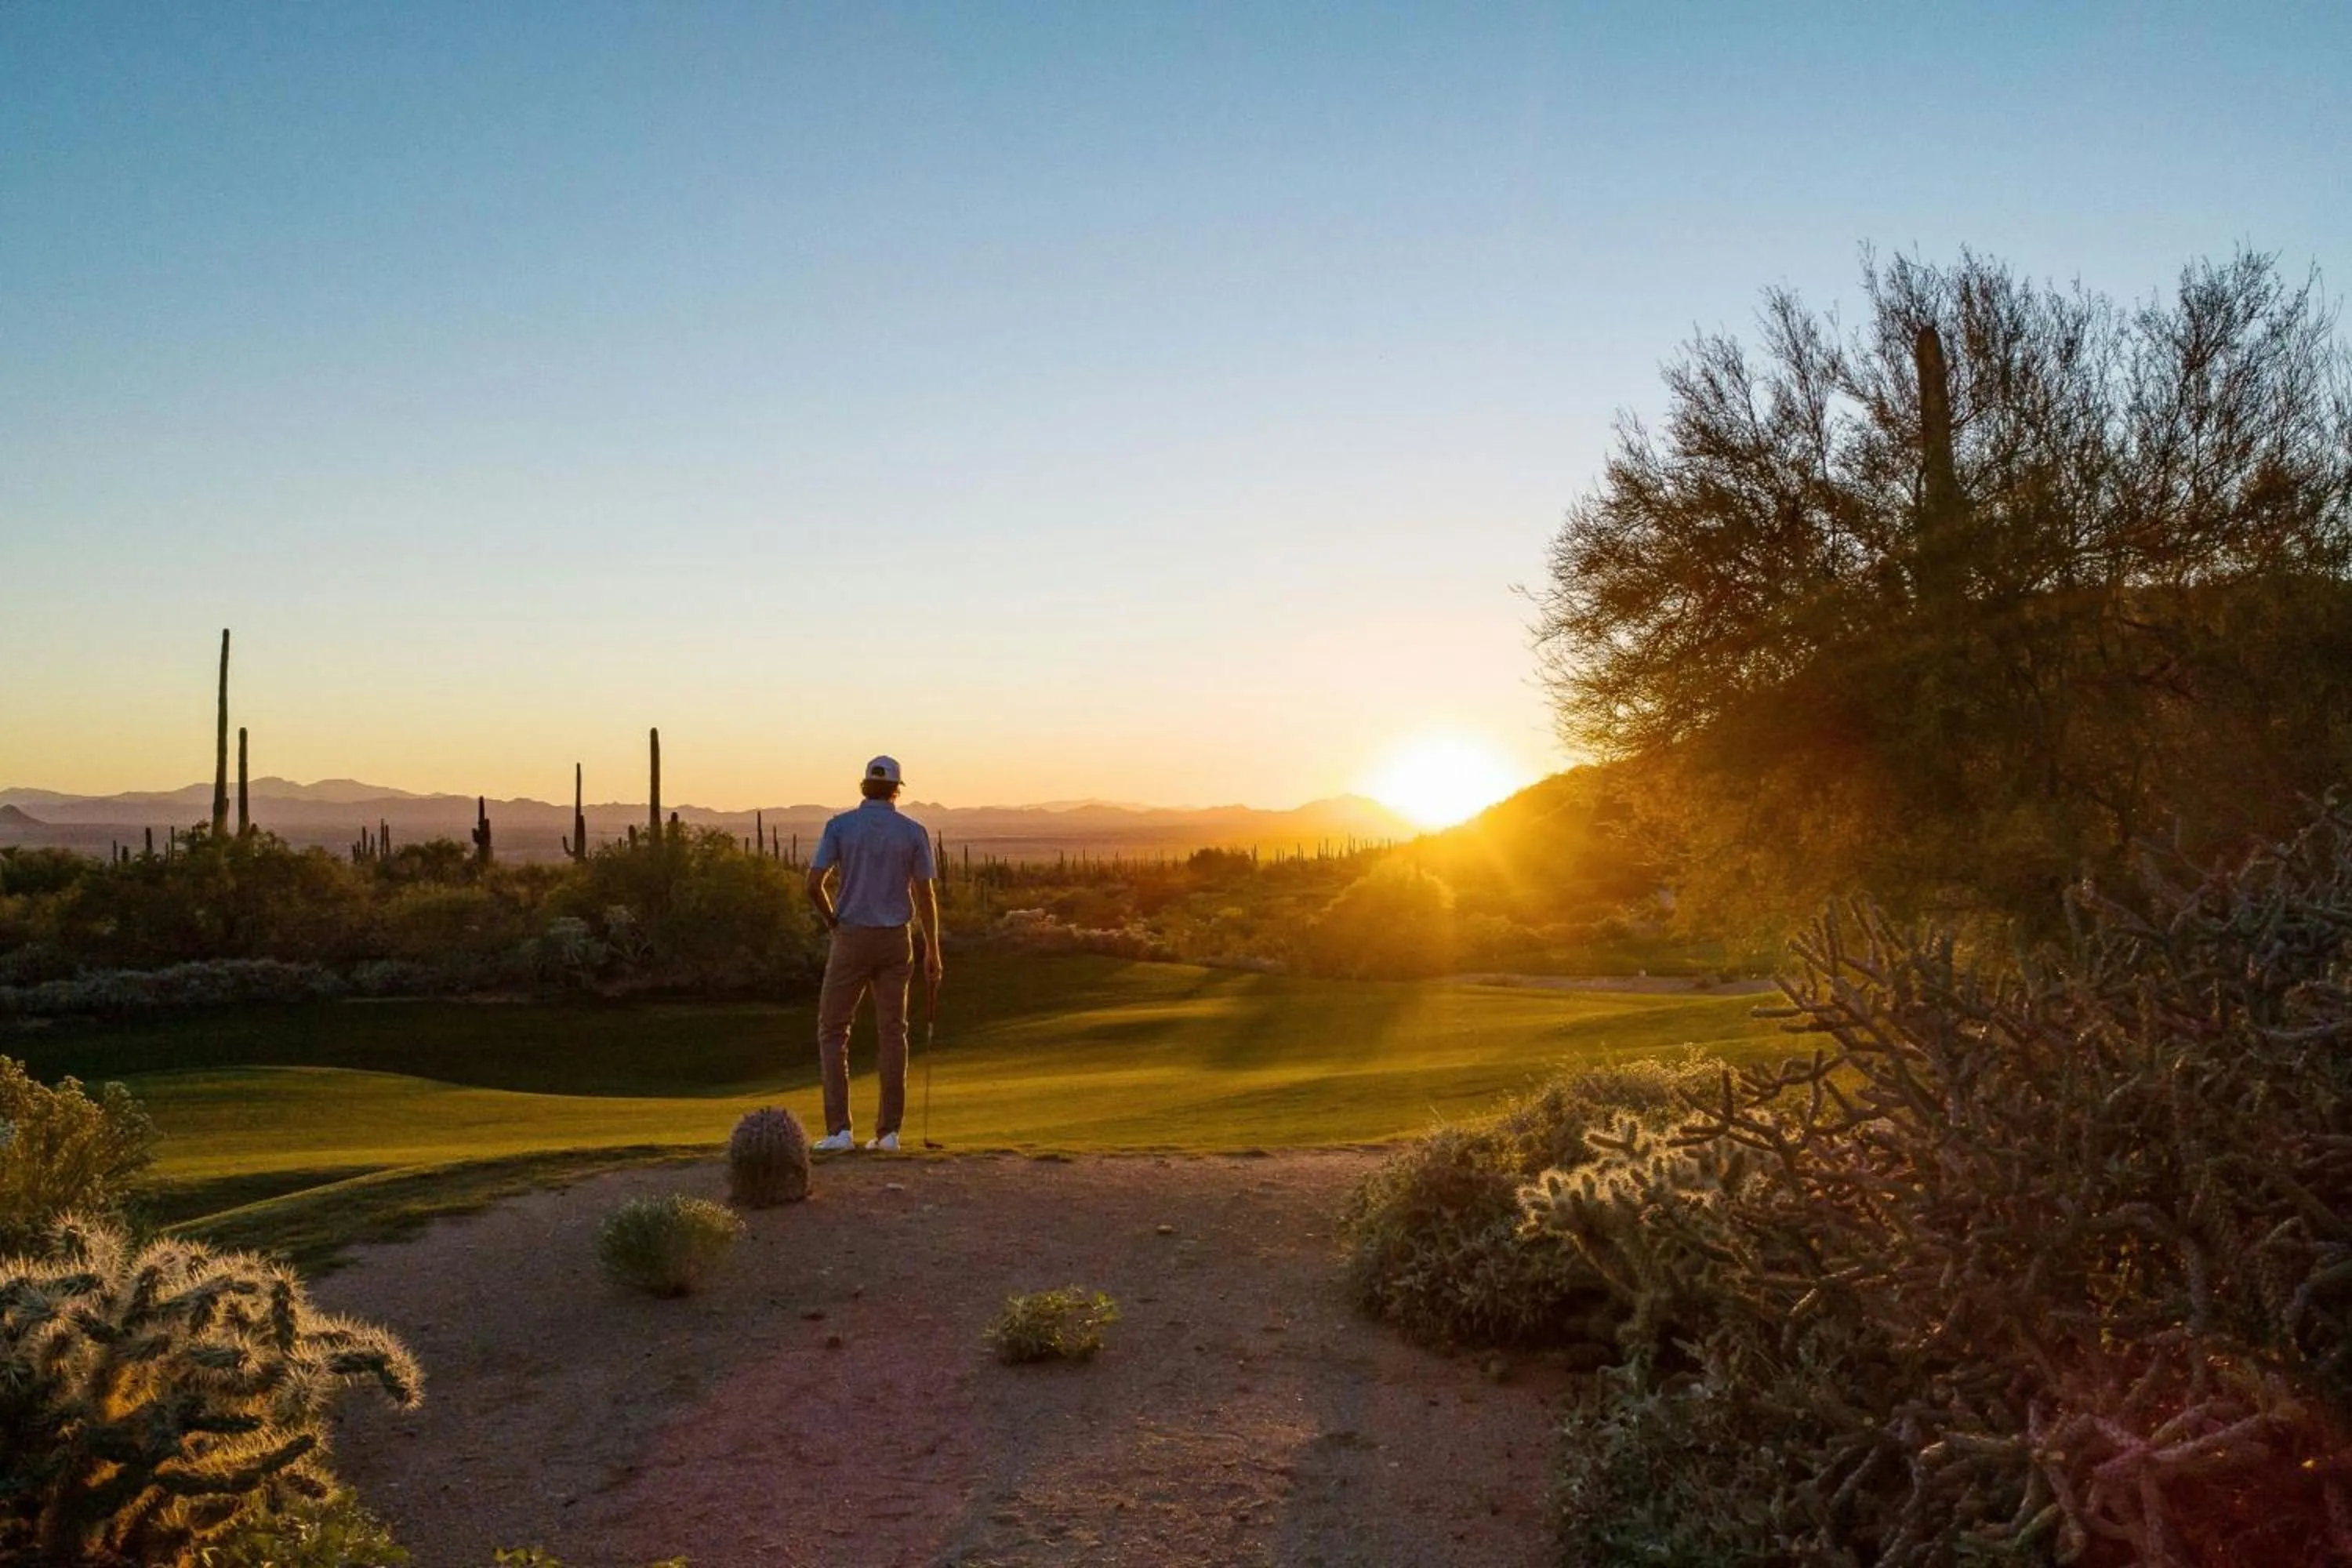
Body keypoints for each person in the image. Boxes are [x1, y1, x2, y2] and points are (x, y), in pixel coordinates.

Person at [804, 755, 943, 1152]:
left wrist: (833, 921)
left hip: (851, 935)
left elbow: (813, 885)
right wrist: (933, 947)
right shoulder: (913, 831)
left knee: (833, 1031)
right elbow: (925, 894)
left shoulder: (840, 827)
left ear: (865, 786)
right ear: (897, 789)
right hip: (896, 939)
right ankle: (889, 1134)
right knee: (893, 1033)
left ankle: (839, 1132)